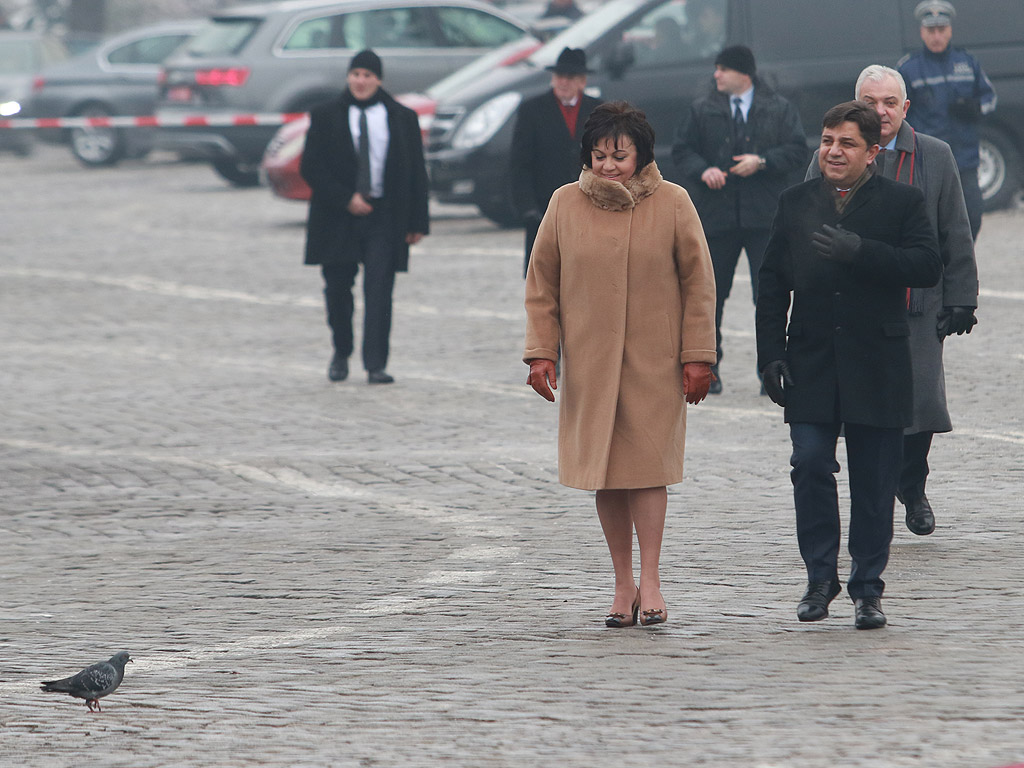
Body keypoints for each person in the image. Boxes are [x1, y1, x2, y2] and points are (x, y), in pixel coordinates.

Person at [523, 102, 717, 628]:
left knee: (649, 468)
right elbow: (541, 283)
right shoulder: (563, 204)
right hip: (589, 362)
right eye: (600, 155)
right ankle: (621, 583)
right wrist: (542, 350)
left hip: (656, 360)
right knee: (606, 473)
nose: (608, 166)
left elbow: (699, 283)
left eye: (620, 156)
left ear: (642, 155)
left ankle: (651, 580)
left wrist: (699, 355)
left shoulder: (674, 203)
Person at [756, 101, 942, 630]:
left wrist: (860, 249)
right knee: (810, 464)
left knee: (875, 478)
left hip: (877, 362)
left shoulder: (902, 202)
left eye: (847, 144)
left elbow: (927, 266)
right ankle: (820, 578)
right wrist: (770, 354)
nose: (834, 151)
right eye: (828, 140)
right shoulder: (795, 201)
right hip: (811, 361)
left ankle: (867, 588)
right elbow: (771, 283)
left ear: (872, 152)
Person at [806, 66, 979, 537]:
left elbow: (954, 230)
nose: (879, 111)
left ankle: (913, 484)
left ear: (905, 108)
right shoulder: (834, 152)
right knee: (864, 406)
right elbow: (806, 221)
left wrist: (962, 296)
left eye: (888, 103)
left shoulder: (935, 156)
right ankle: (877, 496)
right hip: (854, 308)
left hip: (917, 305)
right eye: (869, 101)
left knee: (920, 404)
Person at [672, 45, 806, 394]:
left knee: (769, 295)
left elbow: (797, 149)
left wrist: (761, 161)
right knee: (709, 295)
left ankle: (771, 369)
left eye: (722, 69)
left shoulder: (779, 108)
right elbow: (682, 150)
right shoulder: (702, 109)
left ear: (743, 73)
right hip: (718, 217)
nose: (716, 75)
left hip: (765, 217)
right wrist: (704, 171)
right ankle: (707, 367)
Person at [301, 50, 429, 385]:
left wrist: (418, 221)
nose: (361, 81)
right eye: (356, 74)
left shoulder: (401, 117)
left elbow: (416, 171)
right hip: (337, 216)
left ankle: (376, 363)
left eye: (368, 75)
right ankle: (341, 351)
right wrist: (346, 198)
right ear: (348, 77)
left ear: (379, 79)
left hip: (385, 215)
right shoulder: (325, 114)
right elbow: (311, 167)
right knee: (338, 289)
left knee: (380, 289)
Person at [898, 0, 996, 240]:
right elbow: (897, 111)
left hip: (965, 158)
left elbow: (990, 97)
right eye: (931, 31)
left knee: (972, 216)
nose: (936, 36)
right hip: (927, 160)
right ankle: (938, 268)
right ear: (922, 32)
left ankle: (961, 261)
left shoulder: (968, 63)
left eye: (941, 30)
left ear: (950, 30)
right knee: (932, 219)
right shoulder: (909, 68)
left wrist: (976, 109)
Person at [510, 48, 601, 277]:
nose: (563, 82)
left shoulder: (598, 110)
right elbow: (519, 163)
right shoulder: (532, 109)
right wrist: (527, 207)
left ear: (582, 81)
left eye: (570, 77)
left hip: (586, 205)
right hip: (543, 206)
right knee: (544, 275)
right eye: (559, 77)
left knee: (586, 273)